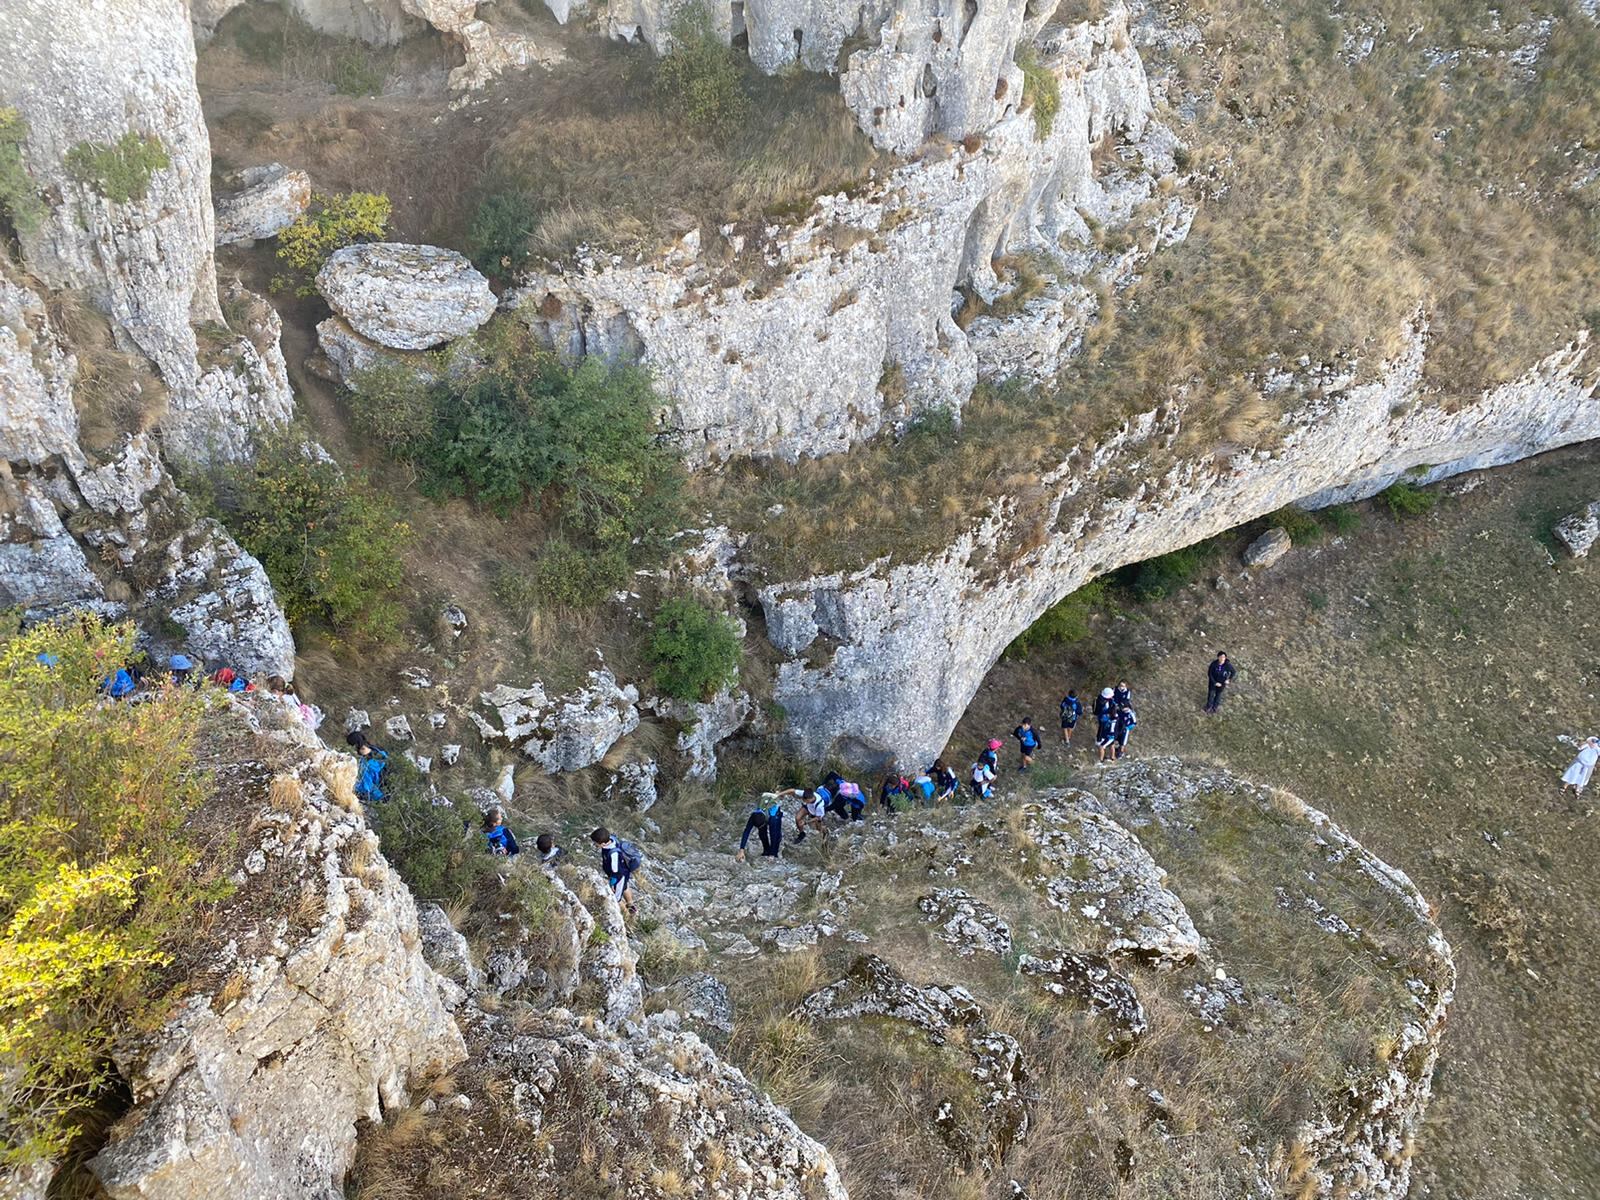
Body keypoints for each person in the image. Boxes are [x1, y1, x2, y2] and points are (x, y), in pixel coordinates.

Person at [590, 826, 643, 913]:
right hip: (625, 871)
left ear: (603, 844)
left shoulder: (613, 854)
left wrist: (612, 884)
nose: (595, 845)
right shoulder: (612, 840)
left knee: (616, 898)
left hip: (619, 876)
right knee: (625, 887)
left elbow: (615, 872)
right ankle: (631, 905)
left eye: (596, 843)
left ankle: (627, 915)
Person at [738, 793, 785, 860]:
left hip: (774, 808)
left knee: (775, 834)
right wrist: (741, 849)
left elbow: (774, 835)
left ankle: (774, 853)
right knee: (762, 833)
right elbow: (746, 831)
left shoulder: (772, 818)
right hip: (764, 800)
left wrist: (772, 855)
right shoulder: (753, 816)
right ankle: (766, 851)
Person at [346, 730, 389, 803]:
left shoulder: (365, 765)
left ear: (356, 746)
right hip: (389, 789)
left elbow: (368, 787)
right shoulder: (379, 751)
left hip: (380, 796)